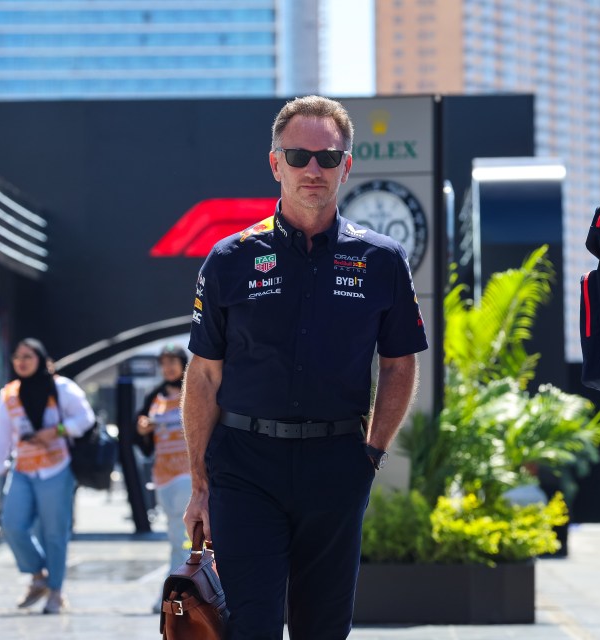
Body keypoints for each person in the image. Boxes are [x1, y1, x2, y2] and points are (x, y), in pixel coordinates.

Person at [182, 95, 428, 639]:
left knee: (323, 629)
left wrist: (371, 455)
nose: (312, 169)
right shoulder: (229, 259)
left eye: (326, 157)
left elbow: (399, 364)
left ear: (347, 166)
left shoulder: (380, 259)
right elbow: (203, 377)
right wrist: (200, 486)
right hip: (244, 469)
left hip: (336, 464)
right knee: (253, 628)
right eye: (298, 157)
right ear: (275, 164)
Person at [0, 338, 95, 614]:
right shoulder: (8, 394)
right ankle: (38, 576)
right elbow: (0, 440)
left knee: (55, 533)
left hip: (57, 470)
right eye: (17, 357)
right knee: (12, 525)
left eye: (28, 356)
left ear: (41, 359)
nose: (21, 361)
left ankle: (56, 591)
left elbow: (85, 419)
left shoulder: (61, 388)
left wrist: (55, 431)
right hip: (22, 470)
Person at [134, 344, 191, 605]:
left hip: (188, 474)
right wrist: (142, 429)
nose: (168, 368)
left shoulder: (193, 391)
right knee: (174, 536)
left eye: (172, 362)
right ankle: (179, 589)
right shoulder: (154, 397)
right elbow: (141, 436)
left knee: (183, 537)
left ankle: (175, 593)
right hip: (163, 476)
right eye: (164, 363)